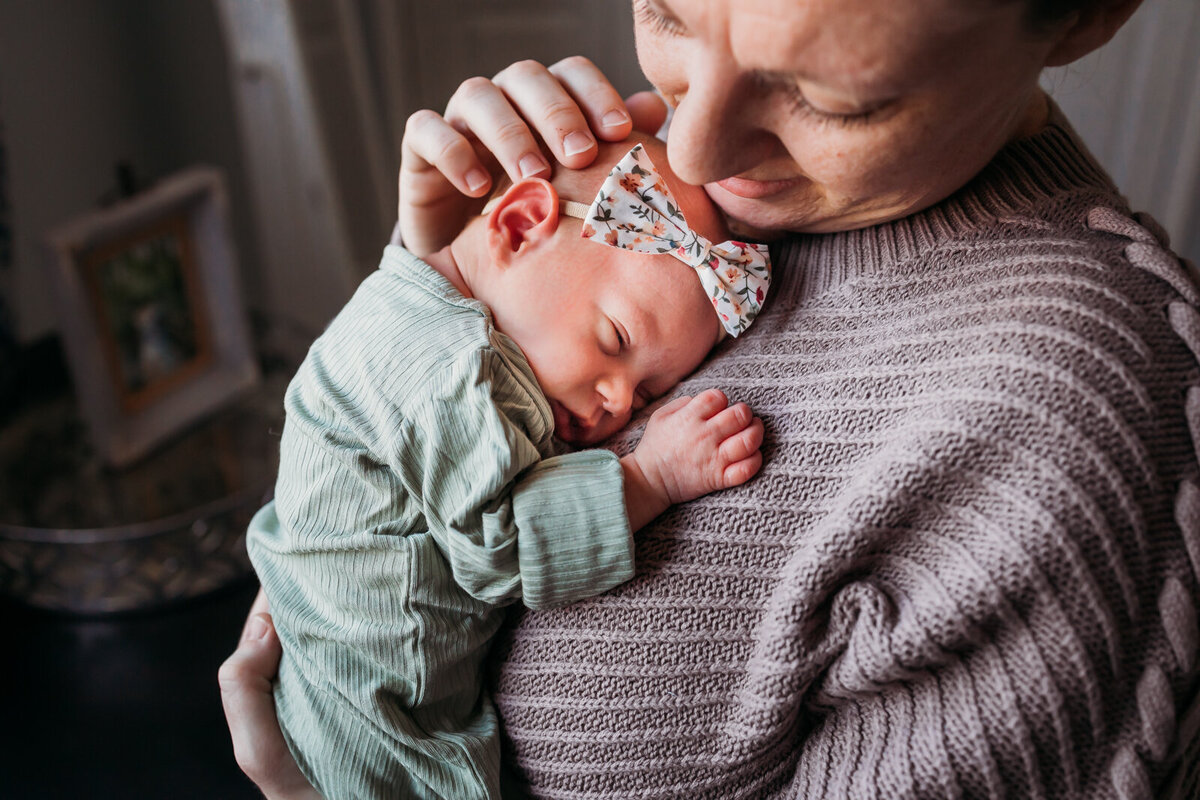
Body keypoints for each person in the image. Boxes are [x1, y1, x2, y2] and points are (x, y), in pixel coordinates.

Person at [222, 0, 1200, 796]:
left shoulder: (1072, 404)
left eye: (831, 98)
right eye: (669, 16)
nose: (692, 146)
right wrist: (440, 275)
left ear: (1086, 15)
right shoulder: (663, 221)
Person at [244, 136, 768, 799]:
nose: (614, 403)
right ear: (519, 227)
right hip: (372, 739)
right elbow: (501, 546)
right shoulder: (454, 366)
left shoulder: (412, 305)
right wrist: (649, 479)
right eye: (614, 340)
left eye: (645, 395)